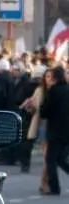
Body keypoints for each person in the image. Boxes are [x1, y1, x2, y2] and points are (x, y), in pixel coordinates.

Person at [39, 66, 69, 196]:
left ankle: (55, 187)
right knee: (60, 158)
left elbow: (44, 112)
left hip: (56, 130)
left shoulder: (53, 91)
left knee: (50, 159)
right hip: (67, 130)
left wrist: (41, 106)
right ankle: (54, 186)